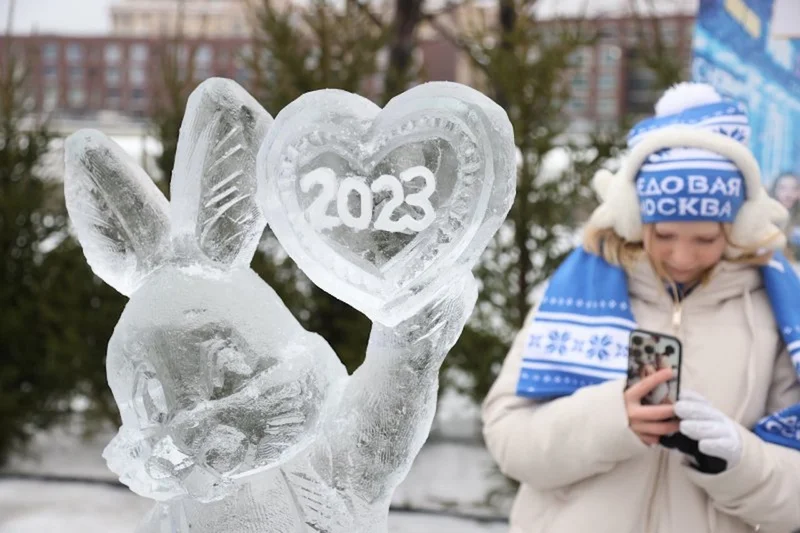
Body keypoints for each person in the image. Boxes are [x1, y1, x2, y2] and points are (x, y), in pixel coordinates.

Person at [482, 82, 800, 533]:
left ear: (738, 228)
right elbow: (509, 440)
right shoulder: (580, 290)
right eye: (664, 235)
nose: (682, 257)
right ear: (636, 219)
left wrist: (741, 461)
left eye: (706, 238)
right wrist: (614, 419)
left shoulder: (778, 309)